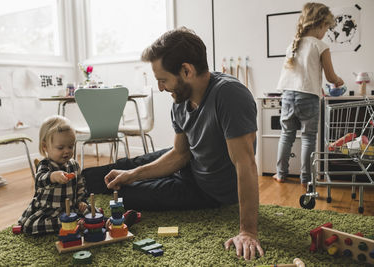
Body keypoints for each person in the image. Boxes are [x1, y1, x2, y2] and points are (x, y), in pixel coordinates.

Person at [83, 27, 263, 260]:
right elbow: (179, 154)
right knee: (122, 168)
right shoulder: (180, 101)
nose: (160, 88)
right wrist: (134, 173)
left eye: (163, 80)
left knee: (127, 196)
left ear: (186, 70)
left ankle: (106, 186)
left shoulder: (229, 95)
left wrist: (248, 231)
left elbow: (245, 165)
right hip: (190, 162)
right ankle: (68, 182)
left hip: (209, 191)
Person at [273, 2, 344, 185]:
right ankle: (306, 179)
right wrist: (338, 80)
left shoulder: (293, 45)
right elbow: (330, 76)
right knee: (308, 138)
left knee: (286, 135)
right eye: (326, 29)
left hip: (288, 95)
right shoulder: (321, 46)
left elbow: (298, 75)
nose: (325, 33)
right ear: (320, 24)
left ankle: (281, 174)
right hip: (308, 98)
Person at [18, 115, 89, 234]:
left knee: (91, 211)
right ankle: (72, 224)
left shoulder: (74, 165)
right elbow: (39, 180)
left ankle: (103, 222)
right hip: (49, 210)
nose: (67, 151)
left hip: (71, 208)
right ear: (45, 146)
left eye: (70, 146)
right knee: (29, 226)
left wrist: (82, 201)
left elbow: (80, 186)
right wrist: (52, 176)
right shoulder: (45, 165)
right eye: (60, 148)